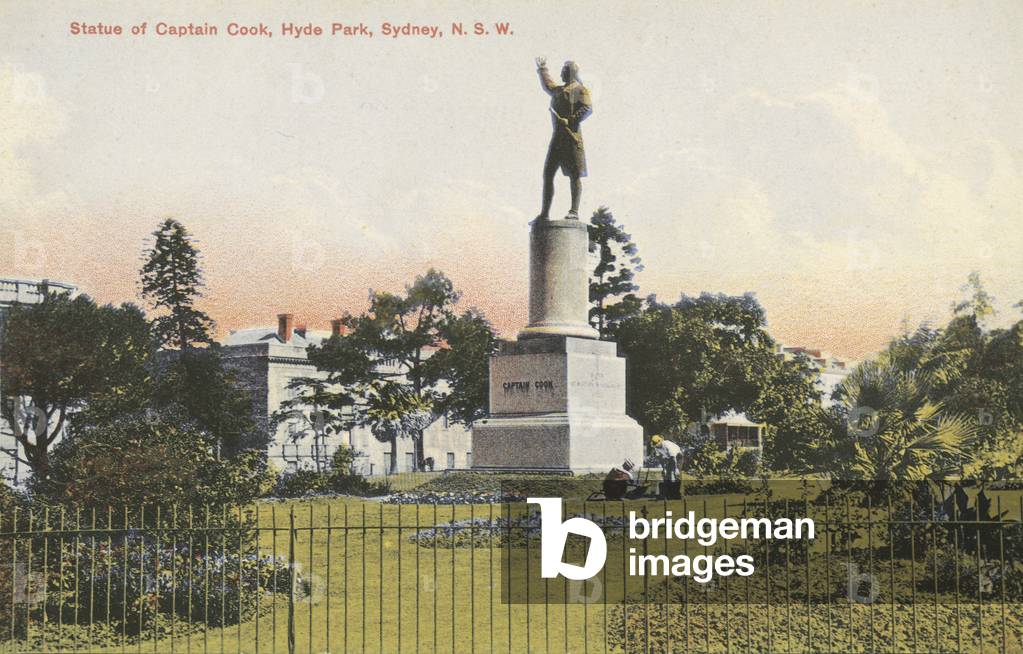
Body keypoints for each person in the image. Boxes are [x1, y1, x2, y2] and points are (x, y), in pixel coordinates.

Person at [535, 57, 592, 220]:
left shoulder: (580, 90)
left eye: (563, 70)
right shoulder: (559, 90)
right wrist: (543, 69)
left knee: (575, 175)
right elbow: (549, 85)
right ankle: (544, 213)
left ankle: (574, 211)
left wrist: (571, 119)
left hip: (572, 138)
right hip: (557, 139)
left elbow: (587, 107)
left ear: (570, 72)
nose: (560, 73)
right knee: (548, 174)